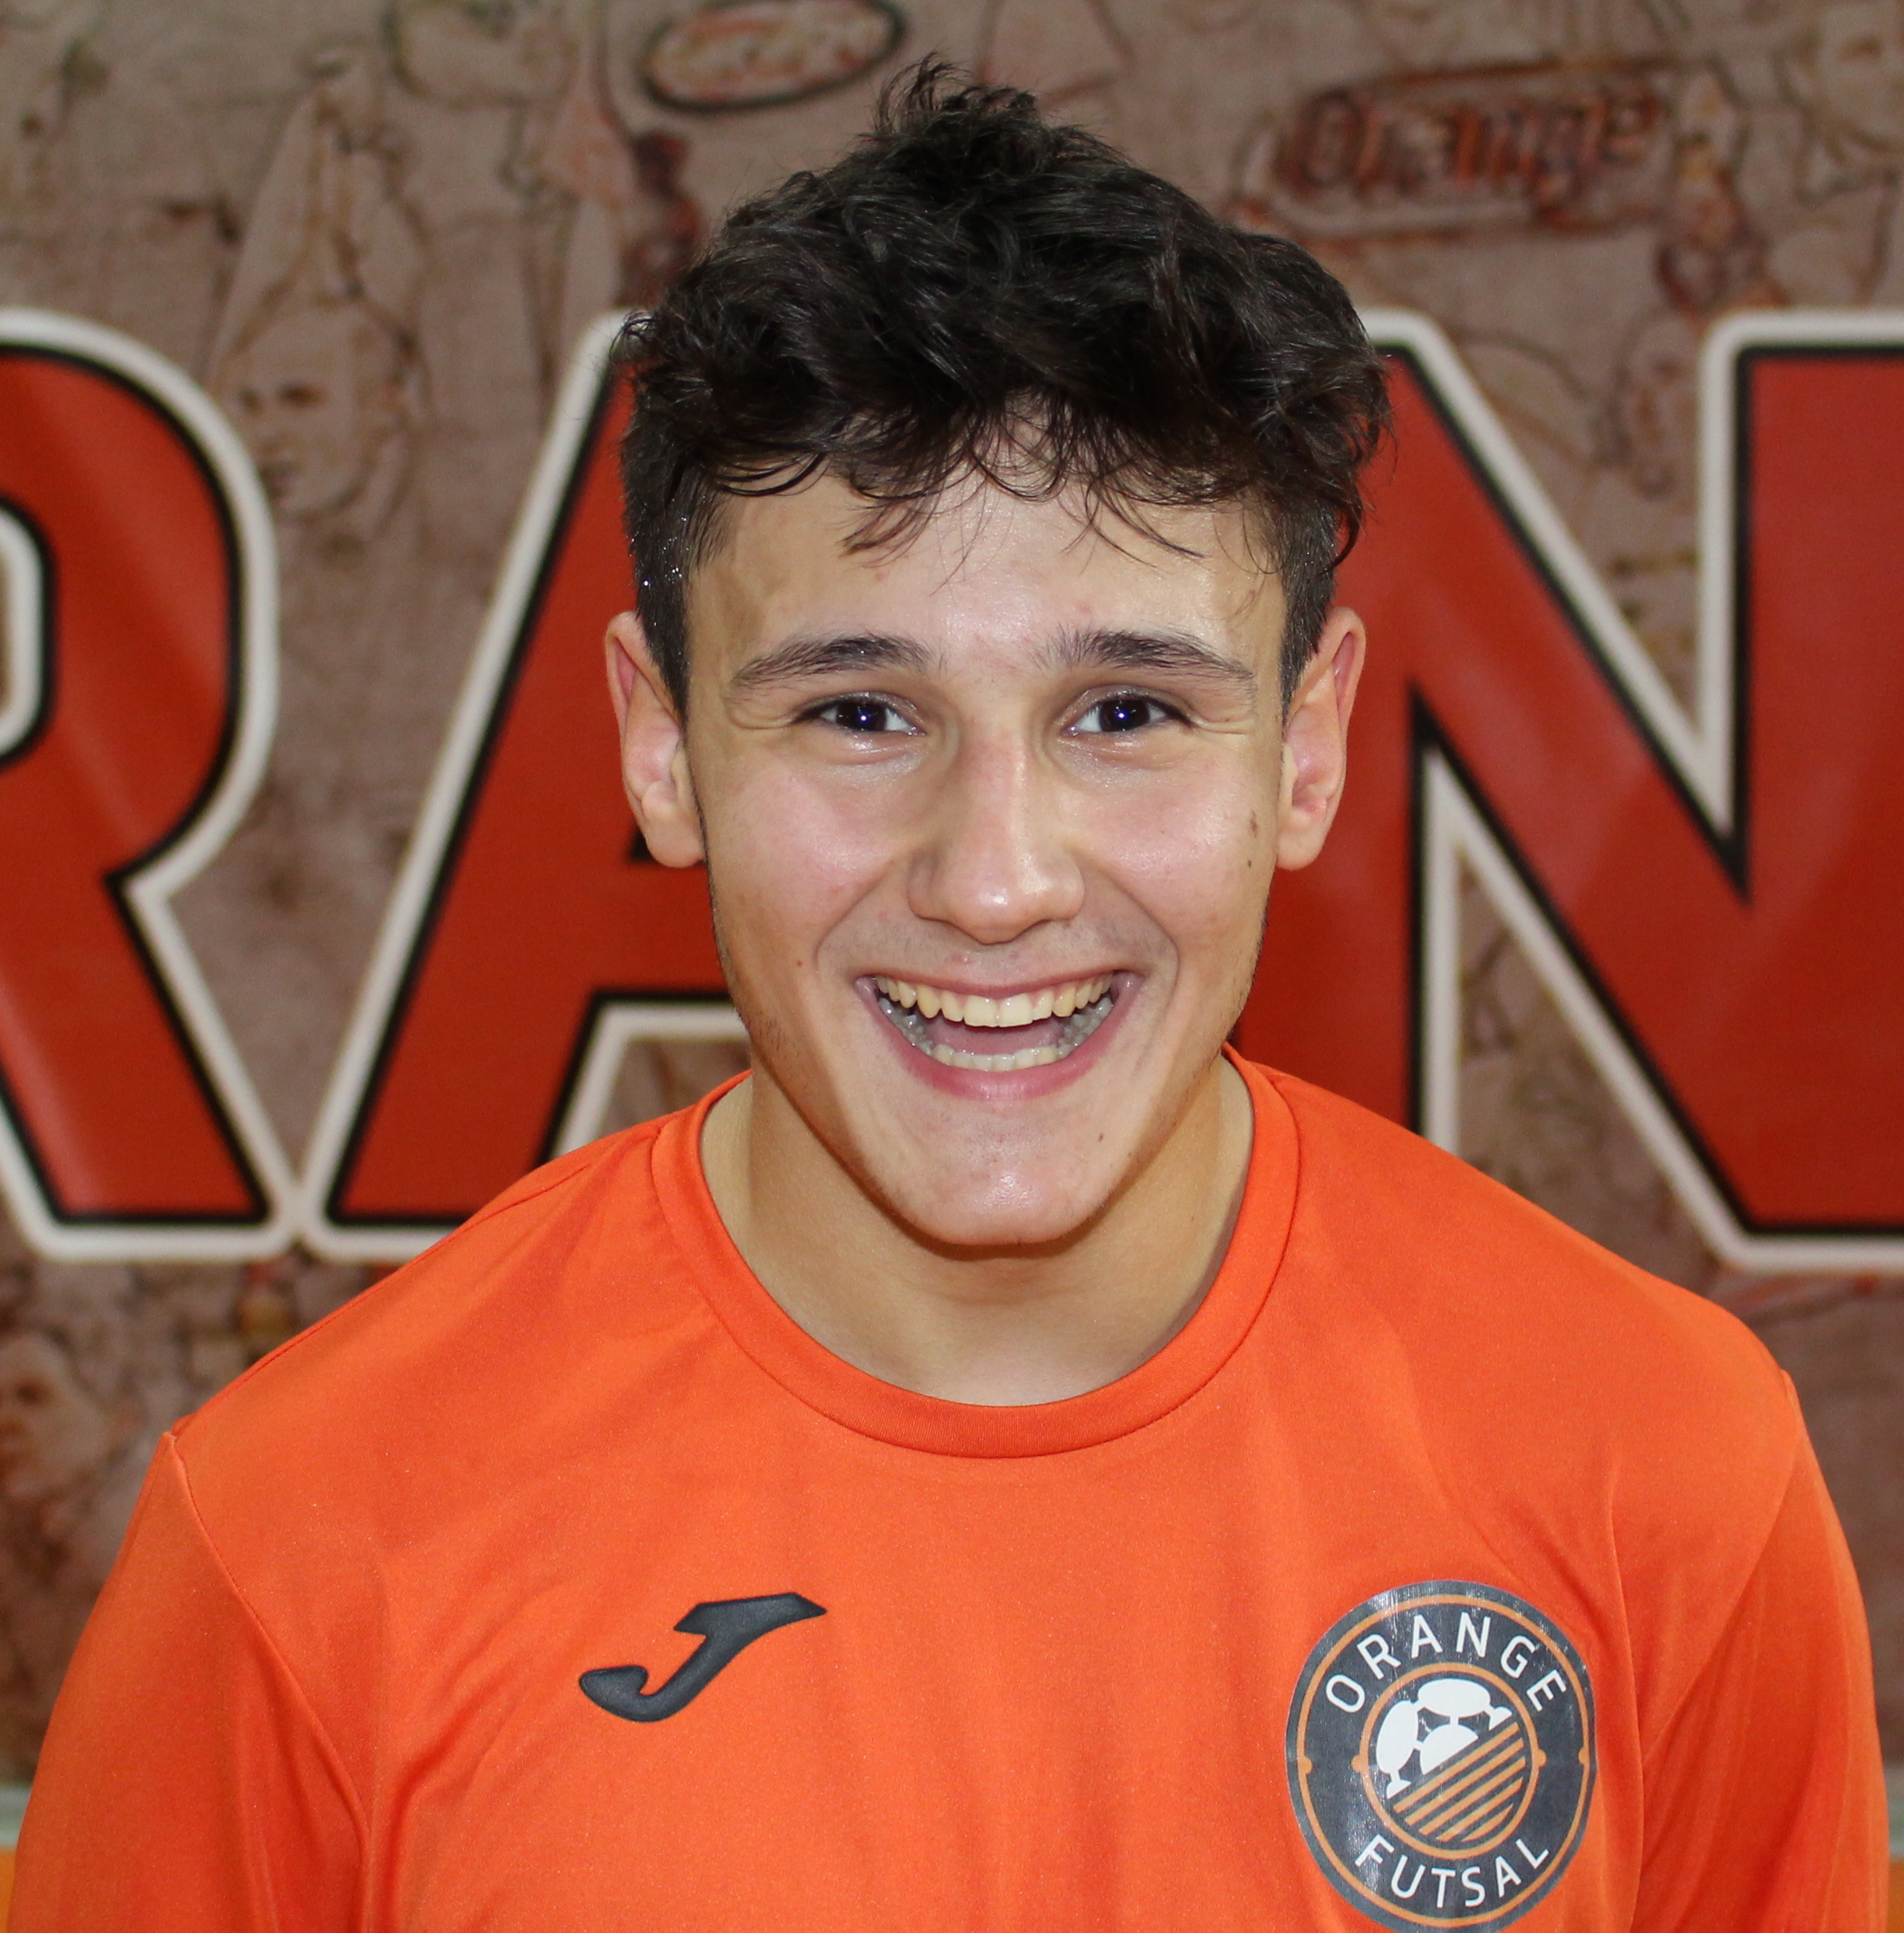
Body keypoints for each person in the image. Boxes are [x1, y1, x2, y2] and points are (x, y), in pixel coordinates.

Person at [12, 65, 1885, 1931]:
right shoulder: (302, 1536)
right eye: (858, 711)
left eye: (1125, 712)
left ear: (1304, 748)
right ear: (660, 749)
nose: (994, 879)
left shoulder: (1655, 1459)